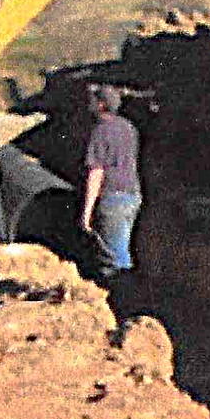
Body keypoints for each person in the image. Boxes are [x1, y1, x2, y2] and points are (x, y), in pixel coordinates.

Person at [79, 83, 141, 281]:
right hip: (132, 196)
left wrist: (86, 212)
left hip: (112, 199)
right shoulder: (129, 128)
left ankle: (122, 301)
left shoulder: (100, 131)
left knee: (114, 258)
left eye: (94, 99)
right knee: (121, 247)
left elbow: (96, 172)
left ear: (101, 105)